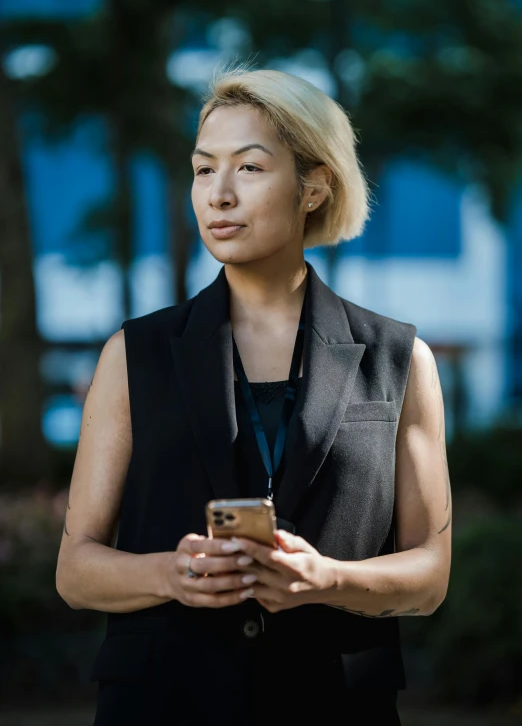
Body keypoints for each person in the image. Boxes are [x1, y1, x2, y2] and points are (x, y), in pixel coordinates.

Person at [56, 64, 452, 725]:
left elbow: (431, 574)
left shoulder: (402, 359)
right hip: (160, 707)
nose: (218, 194)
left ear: (314, 185)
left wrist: (330, 579)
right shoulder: (133, 354)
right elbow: (76, 568)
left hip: (336, 705)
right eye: (203, 168)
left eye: (249, 168)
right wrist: (169, 573)